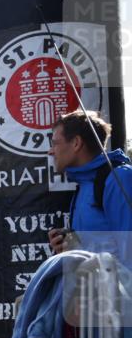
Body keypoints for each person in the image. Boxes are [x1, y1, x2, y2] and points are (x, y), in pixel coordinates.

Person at [47, 110, 132, 263]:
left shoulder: (119, 178)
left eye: (55, 143)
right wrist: (69, 248)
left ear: (76, 143)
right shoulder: (85, 183)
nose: (50, 151)